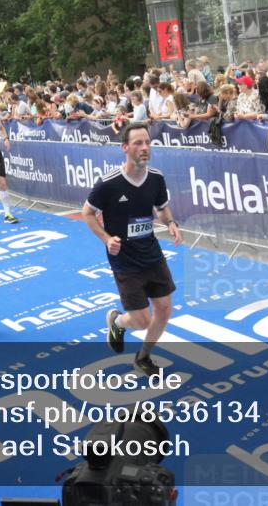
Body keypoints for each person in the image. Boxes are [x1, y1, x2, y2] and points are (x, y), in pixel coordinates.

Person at [85, 124, 182, 376]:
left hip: (152, 253)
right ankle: (117, 321)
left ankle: (144, 357)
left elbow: (161, 208)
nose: (145, 148)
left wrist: (170, 223)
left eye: (147, 142)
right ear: (125, 148)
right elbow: (87, 213)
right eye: (138, 143)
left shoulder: (157, 178)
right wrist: (106, 239)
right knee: (141, 321)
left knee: (164, 309)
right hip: (124, 260)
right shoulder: (108, 183)